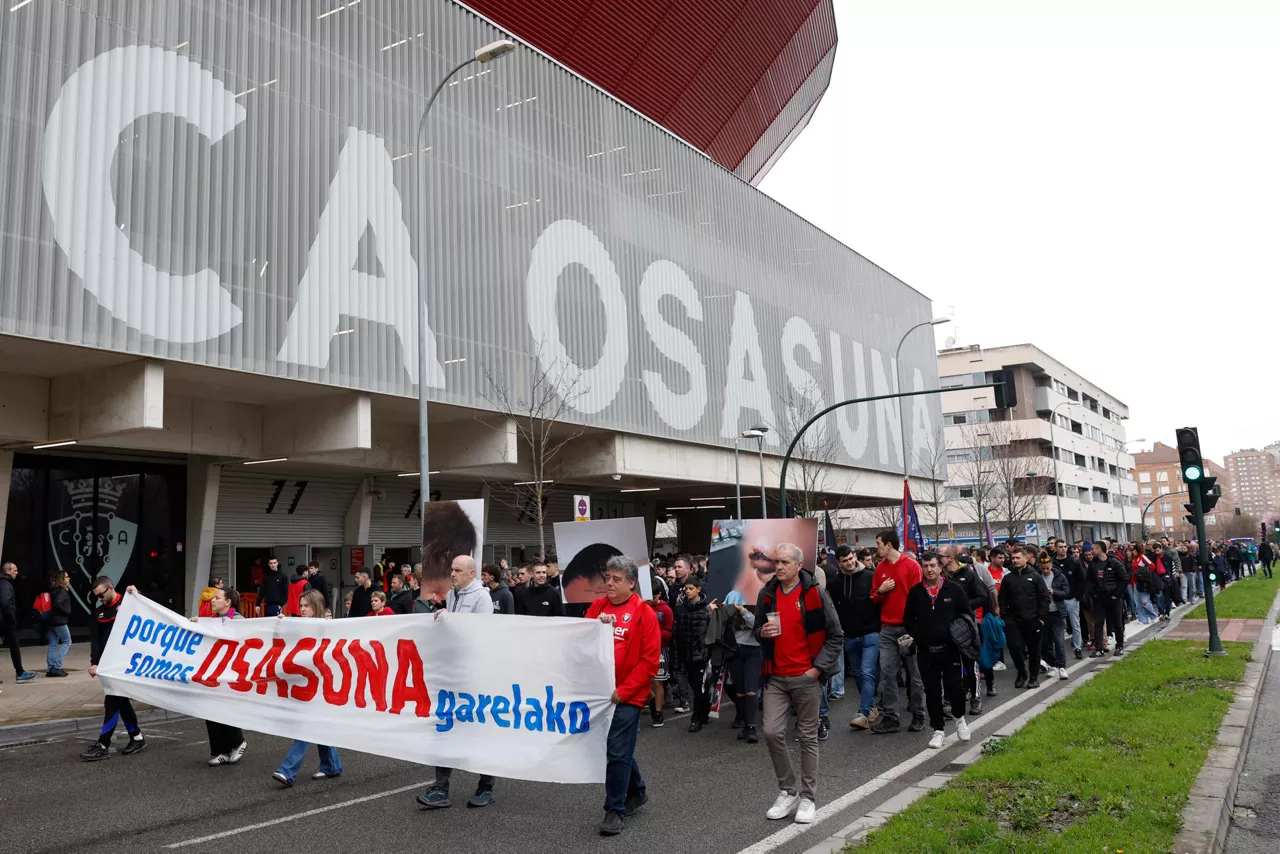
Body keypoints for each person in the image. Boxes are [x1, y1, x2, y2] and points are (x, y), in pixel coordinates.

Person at [755, 543, 843, 825]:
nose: (777, 567)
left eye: (783, 562)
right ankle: (788, 790)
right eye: (775, 562)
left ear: (797, 565)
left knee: (807, 737)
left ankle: (808, 797)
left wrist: (816, 670)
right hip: (776, 676)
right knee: (771, 732)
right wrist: (763, 632)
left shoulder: (814, 592)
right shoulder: (767, 594)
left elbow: (835, 635)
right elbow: (757, 630)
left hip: (806, 676)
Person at [587, 556, 661, 836]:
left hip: (626, 696)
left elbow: (649, 660)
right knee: (617, 748)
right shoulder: (597, 608)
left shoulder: (644, 613)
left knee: (617, 751)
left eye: (616, 579)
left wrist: (625, 691)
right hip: (600, 695)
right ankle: (637, 791)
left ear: (631, 583)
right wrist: (598, 628)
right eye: (607, 577)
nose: (609, 583)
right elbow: (583, 644)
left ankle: (614, 809)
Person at [417, 555, 498, 809]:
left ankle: (486, 786)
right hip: (451, 674)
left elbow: (481, 634)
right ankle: (441, 788)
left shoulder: (481, 597)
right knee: (444, 727)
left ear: (471, 574)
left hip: (474, 676)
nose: (452, 574)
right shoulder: (453, 594)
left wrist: (453, 621)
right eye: (451, 569)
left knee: (478, 731)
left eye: (457, 570)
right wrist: (445, 615)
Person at [902, 552, 973, 749]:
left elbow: (967, 615)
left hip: (950, 649)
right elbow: (908, 619)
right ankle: (938, 730)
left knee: (954, 688)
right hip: (926, 651)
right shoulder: (916, 592)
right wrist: (919, 635)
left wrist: (958, 636)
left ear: (940, 567)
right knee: (932, 691)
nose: (929, 569)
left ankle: (960, 720)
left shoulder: (954, 589)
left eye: (933, 565)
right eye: (925, 566)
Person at [273, 590, 342, 786]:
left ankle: (288, 770)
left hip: (323, 684)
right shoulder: (298, 625)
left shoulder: (328, 627)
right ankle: (331, 765)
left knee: (306, 726)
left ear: (316, 606)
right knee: (319, 725)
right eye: (301, 605)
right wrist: (280, 624)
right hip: (306, 684)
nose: (302, 609)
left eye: (306, 606)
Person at [80, 577, 147, 760]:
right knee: (121, 701)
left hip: (126, 663)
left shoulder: (128, 602)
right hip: (109, 663)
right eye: (96, 596)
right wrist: (94, 662)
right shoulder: (99, 613)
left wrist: (137, 594)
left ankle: (103, 744)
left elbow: (147, 615)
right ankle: (137, 737)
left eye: (101, 595)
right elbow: (96, 639)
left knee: (112, 701)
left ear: (111, 588)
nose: (100, 598)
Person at [869, 530, 926, 735]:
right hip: (887, 629)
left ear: (889, 545)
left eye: (878, 543)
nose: (877, 547)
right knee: (887, 673)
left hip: (908, 628)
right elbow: (874, 598)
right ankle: (891, 718)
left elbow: (919, 597)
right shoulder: (880, 569)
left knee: (915, 673)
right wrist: (881, 591)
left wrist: (916, 626)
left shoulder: (911, 566)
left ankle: (918, 713)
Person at [825, 545, 880, 730]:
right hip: (849, 635)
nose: (849, 563)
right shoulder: (834, 582)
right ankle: (871, 706)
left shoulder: (870, 577)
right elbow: (831, 609)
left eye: (850, 558)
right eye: (844, 561)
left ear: (854, 556)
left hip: (871, 633)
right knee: (857, 674)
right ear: (839, 563)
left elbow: (879, 601)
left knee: (867, 672)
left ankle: (863, 713)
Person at [193, 587, 248, 766]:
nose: (213, 601)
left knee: (225, 708)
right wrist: (194, 624)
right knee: (209, 709)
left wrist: (230, 627)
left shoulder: (238, 620)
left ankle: (237, 742)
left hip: (230, 673)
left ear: (228, 602)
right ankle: (220, 751)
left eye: (217, 598)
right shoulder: (212, 621)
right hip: (213, 672)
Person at [939, 545, 991, 715]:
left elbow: (983, 596)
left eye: (941, 556)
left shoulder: (968, 574)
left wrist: (965, 605)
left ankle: (976, 698)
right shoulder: (940, 576)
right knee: (948, 663)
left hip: (966, 624)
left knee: (970, 661)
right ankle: (949, 698)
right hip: (945, 626)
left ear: (950, 558)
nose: (938, 559)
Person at [998, 545, 1049, 689]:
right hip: (1013, 620)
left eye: (1018, 558)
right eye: (1013, 558)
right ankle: (1021, 673)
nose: (1014, 560)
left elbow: (1044, 598)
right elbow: (1002, 598)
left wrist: (1041, 617)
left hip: (1033, 620)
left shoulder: (1035, 576)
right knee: (1014, 648)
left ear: (1025, 559)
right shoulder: (1008, 578)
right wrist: (1005, 615)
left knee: (1034, 650)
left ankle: (1033, 677)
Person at [673, 574, 713, 732]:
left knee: (698, 687)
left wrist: (707, 653)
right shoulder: (680, 609)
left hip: (701, 655)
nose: (687, 592)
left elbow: (710, 634)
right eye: (686, 589)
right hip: (685, 654)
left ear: (698, 589)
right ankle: (705, 708)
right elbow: (676, 634)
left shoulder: (706, 609)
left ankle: (696, 718)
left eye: (691, 589)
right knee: (694, 685)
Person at [1087, 541, 1127, 658]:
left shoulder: (1114, 562)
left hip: (1114, 598)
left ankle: (1119, 646)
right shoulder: (1093, 564)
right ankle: (1099, 648)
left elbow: (1124, 579)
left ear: (1099, 549)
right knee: (1098, 623)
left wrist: (1117, 594)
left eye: (1093, 549)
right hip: (1099, 598)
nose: (1091, 551)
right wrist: (1093, 594)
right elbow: (1089, 581)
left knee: (1117, 622)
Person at [0, 562, 36, 683]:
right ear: (8, 571)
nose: (17, 572)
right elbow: (5, 602)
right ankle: (20, 672)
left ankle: (20, 672)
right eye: (14, 570)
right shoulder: (5, 584)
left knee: (14, 645)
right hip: (4, 621)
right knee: (14, 645)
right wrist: (11, 619)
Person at [1051, 538, 1086, 660]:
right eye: (1060, 547)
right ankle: (1058, 652)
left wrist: (1078, 597)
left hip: (1072, 598)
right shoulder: (1052, 562)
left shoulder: (1074, 562)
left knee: (1075, 624)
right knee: (1058, 625)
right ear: (1055, 548)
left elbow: (1082, 579)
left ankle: (1078, 647)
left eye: (1065, 546)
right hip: (1057, 598)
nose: (1063, 549)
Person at [1038, 553, 1070, 680]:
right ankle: (1052, 665)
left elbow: (1067, 591)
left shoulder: (1059, 576)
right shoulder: (1037, 577)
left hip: (1057, 612)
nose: (1045, 571)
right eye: (1043, 568)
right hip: (1044, 613)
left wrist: (1054, 592)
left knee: (1059, 641)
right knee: (1046, 642)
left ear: (1051, 565)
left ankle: (1061, 666)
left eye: (1047, 568)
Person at [647, 585, 675, 728]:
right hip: (642, 649)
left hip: (659, 649)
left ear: (659, 594)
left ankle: (658, 712)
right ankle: (652, 701)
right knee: (644, 681)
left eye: (654, 596)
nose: (651, 599)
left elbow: (669, 632)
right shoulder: (642, 606)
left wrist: (655, 632)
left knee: (658, 681)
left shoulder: (666, 610)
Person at [44, 570, 73, 677]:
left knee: (53, 644)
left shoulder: (52, 591)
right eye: (66, 577)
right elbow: (57, 604)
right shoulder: (61, 592)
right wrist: (67, 612)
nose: (68, 578)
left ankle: (50, 668)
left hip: (51, 621)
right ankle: (57, 667)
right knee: (67, 642)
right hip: (59, 621)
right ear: (61, 579)